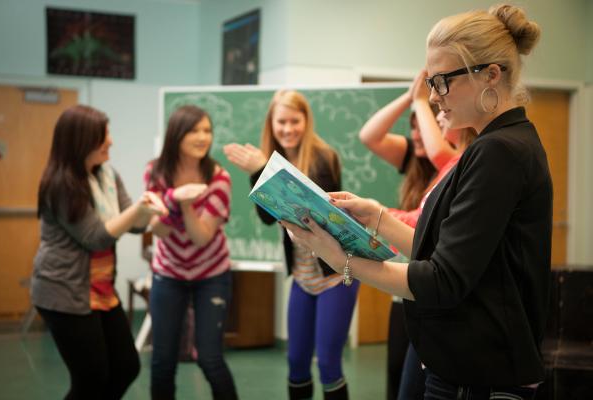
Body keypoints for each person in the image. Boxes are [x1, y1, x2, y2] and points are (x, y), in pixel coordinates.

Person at [283, 4, 551, 399]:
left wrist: (342, 261)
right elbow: (449, 255)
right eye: (430, 81)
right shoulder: (495, 146)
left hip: (480, 376)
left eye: (442, 81)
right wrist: (377, 217)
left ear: (491, 75)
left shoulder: (500, 152)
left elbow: (442, 281)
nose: (433, 96)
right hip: (467, 368)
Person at [223, 89, 358, 400]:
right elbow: (268, 218)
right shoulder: (269, 161)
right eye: (280, 122)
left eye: (294, 121)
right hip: (303, 276)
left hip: (336, 274)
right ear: (271, 124)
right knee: (296, 362)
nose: (287, 129)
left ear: (306, 121)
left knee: (327, 364)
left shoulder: (324, 158)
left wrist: (262, 172)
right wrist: (260, 173)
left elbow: (310, 213)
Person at [31, 105, 165, 399]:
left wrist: (153, 209)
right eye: (104, 136)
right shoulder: (60, 184)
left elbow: (131, 223)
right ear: (81, 140)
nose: (111, 141)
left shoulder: (107, 175)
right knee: (90, 378)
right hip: (64, 292)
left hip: (99, 289)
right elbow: (95, 237)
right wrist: (138, 213)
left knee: (126, 367)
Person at [360, 70, 476, 399]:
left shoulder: (458, 162)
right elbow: (416, 222)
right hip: (415, 283)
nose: (436, 117)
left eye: (442, 110)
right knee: (402, 379)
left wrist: (420, 100)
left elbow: (418, 227)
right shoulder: (441, 165)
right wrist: (370, 212)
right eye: (430, 114)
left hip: (432, 290)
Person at [145, 105, 238, 400]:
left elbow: (200, 237)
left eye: (207, 131)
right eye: (194, 130)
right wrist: (175, 196)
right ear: (177, 134)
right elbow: (157, 230)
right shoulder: (156, 172)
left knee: (210, 358)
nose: (203, 137)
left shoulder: (219, 178)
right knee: (162, 361)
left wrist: (183, 203)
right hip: (168, 273)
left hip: (212, 274)